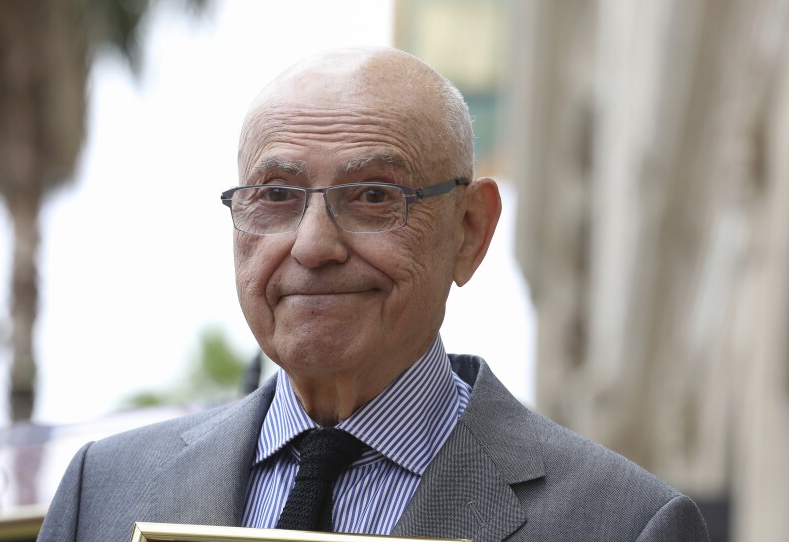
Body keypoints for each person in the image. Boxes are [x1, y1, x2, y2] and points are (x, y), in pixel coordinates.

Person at [38, 47, 709, 541]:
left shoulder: (622, 524)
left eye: (373, 197)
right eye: (275, 196)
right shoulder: (102, 495)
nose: (312, 245)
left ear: (470, 231)